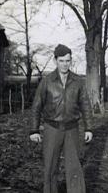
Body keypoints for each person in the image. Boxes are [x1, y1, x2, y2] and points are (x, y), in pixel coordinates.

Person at [29, 44, 93, 193]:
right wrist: (34, 130)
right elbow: (36, 106)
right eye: (61, 61)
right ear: (55, 61)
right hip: (52, 129)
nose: (65, 64)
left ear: (71, 61)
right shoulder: (47, 81)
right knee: (50, 167)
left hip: (72, 129)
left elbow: (85, 105)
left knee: (74, 168)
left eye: (68, 61)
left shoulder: (77, 81)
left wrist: (89, 128)